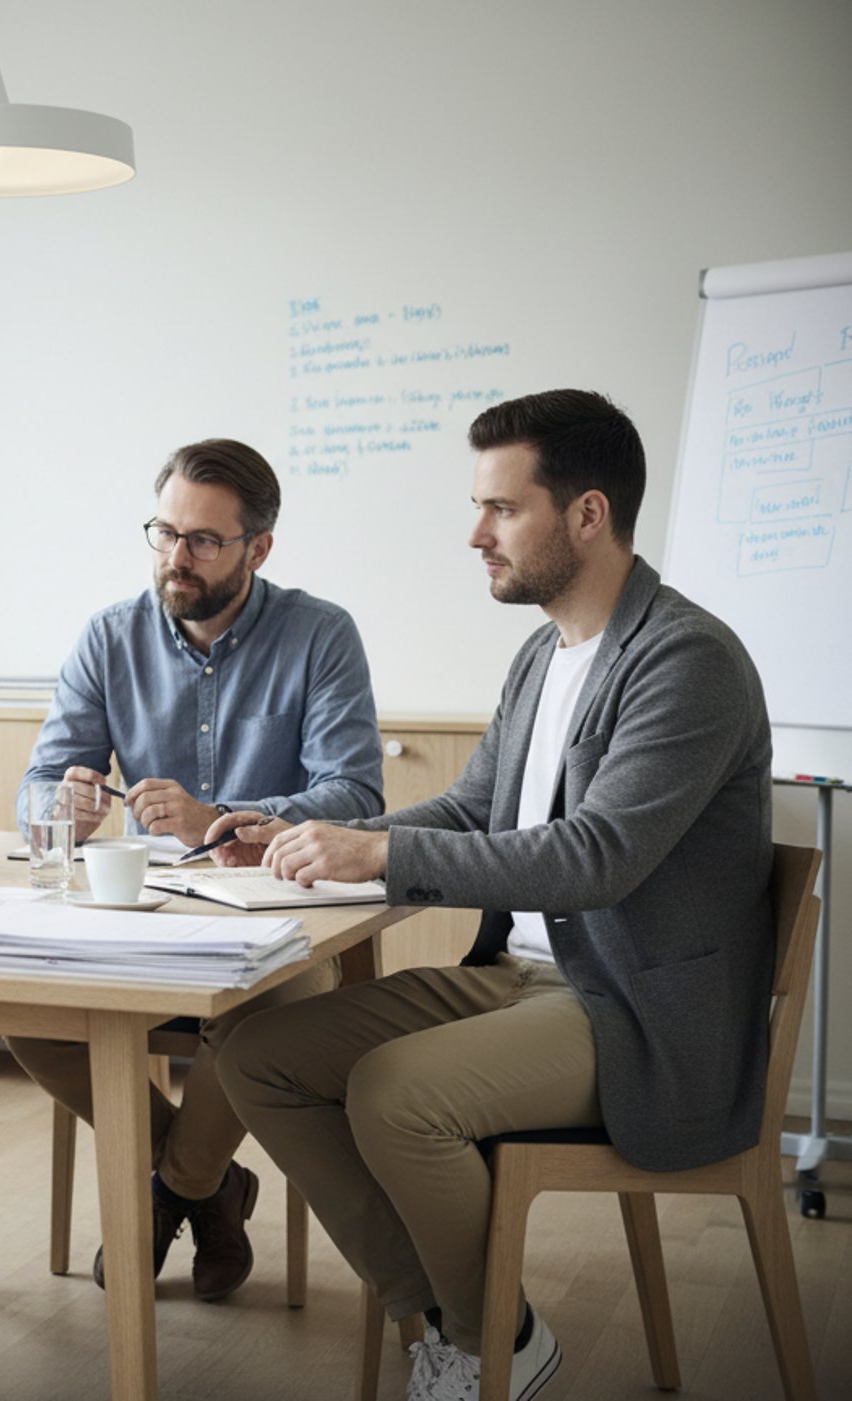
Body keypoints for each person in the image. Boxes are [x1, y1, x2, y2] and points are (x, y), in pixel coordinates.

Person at [216, 389, 774, 1401]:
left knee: (398, 1095)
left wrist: (373, 860)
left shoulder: (686, 661)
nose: (475, 535)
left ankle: (485, 1348)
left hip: (634, 1010)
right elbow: (478, 809)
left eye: (501, 509)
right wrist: (308, 840)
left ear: (587, 514)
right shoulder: (542, 650)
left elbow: (593, 857)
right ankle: (447, 1319)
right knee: (256, 1055)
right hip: (523, 978)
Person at [7, 438, 384, 1301]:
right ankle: (211, 1182)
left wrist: (221, 819)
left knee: (277, 1010)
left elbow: (357, 796)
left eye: (204, 540)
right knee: (28, 1008)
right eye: (165, 532)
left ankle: (173, 1191)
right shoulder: (110, 635)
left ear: (259, 546)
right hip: (139, 913)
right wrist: (56, 806)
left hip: (274, 916)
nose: (177, 558)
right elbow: (39, 780)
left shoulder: (320, 634)